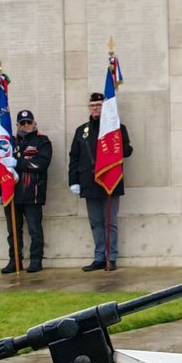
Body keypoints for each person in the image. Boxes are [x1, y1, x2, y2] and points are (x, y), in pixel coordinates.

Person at [69, 92, 134, 271]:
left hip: (110, 181)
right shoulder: (81, 130)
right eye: (92, 106)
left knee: (110, 221)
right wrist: (73, 181)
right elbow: (74, 157)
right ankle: (99, 257)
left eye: (99, 105)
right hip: (89, 182)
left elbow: (128, 150)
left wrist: (117, 145)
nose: (95, 108)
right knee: (96, 222)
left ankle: (111, 257)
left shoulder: (117, 128)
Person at [6, 109, 53, 274]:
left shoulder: (42, 141)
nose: (26, 125)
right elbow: (1, 167)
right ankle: (15, 261)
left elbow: (41, 164)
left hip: (32, 192)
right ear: (17, 125)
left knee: (34, 229)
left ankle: (36, 260)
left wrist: (17, 163)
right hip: (11, 192)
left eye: (29, 122)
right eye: (22, 123)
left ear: (34, 123)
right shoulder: (9, 142)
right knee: (13, 230)